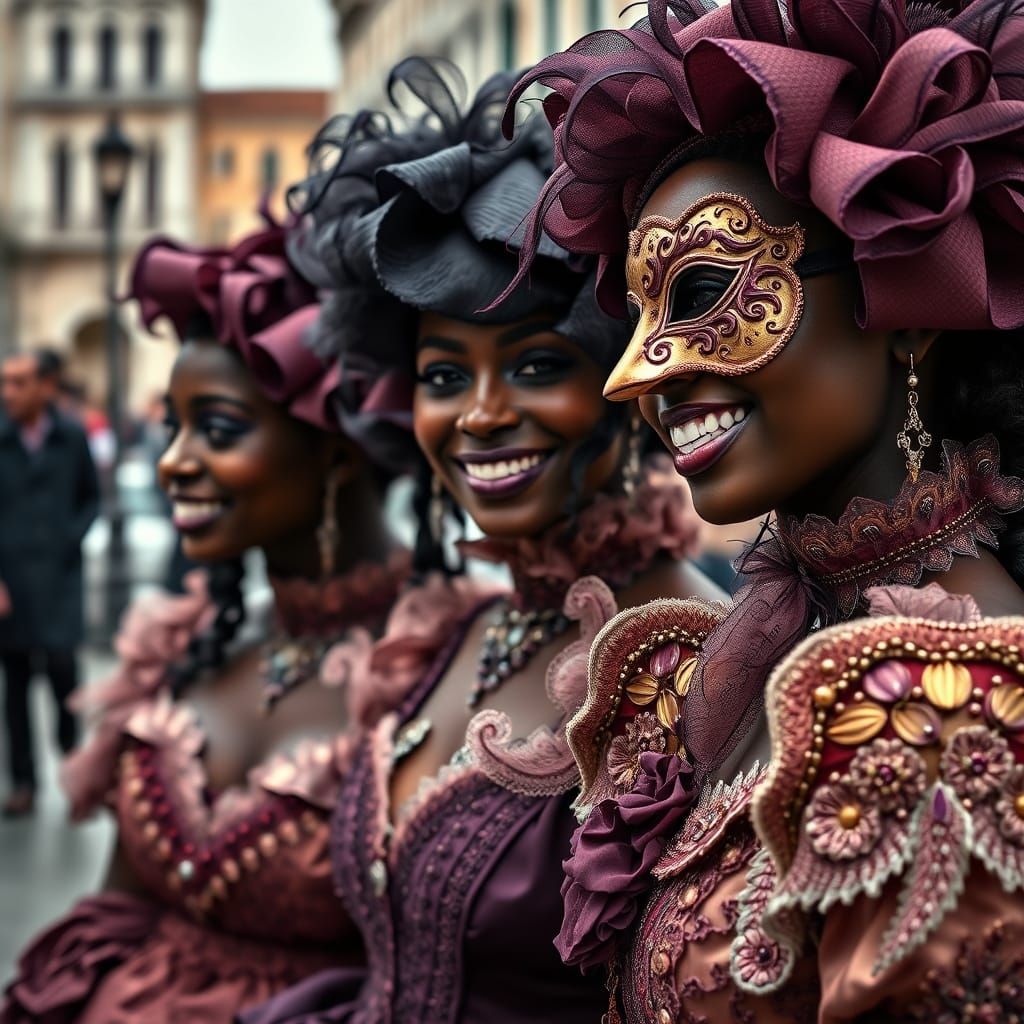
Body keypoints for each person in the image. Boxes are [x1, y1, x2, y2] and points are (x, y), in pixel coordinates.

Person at [504, 0, 1024, 1018]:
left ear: (903, 312)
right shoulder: (740, 660)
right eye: (640, 314)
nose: (629, 374)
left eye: (699, 293)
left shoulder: (965, 706)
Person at [242, 59, 720, 1024]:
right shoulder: (447, 631)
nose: (482, 415)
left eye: (538, 365)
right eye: (445, 376)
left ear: (627, 378)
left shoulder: (694, 663)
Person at [0, 217, 483, 1023]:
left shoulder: (455, 666)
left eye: (217, 430)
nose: (172, 462)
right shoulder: (185, 645)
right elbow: (116, 911)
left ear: (336, 451)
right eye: (173, 428)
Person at [0, 349, 99, 817]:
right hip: (11, 585)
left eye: (19, 382)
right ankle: (24, 783)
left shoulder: (72, 437)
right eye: (5, 383)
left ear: (46, 386)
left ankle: (74, 771)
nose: (9, 393)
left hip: (59, 581)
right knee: (15, 688)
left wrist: (70, 541)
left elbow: (91, 499)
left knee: (66, 680)